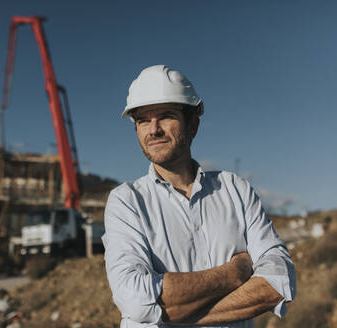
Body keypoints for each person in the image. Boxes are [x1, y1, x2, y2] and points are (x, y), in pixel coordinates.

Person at [102, 65, 296, 328]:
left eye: (166, 116)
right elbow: (135, 299)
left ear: (192, 125)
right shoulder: (126, 202)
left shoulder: (234, 189)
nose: (153, 129)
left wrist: (176, 314)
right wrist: (235, 273)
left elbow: (278, 282)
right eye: (143, 120)